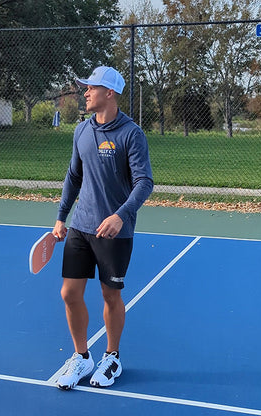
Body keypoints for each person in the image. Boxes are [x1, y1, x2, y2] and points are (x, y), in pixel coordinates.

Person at [52, 66, 153, 390]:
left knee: (110, 295)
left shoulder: (131, 134)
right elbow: (73, 176)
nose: (85, 92)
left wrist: (121, 215)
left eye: (90, 87)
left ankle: (112, 356)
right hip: (81, 227)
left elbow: (144, 182)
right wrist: (61, 216)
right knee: (69, 293)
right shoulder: (81, 131)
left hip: (114, 232)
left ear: (109, 92)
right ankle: (82, 357)